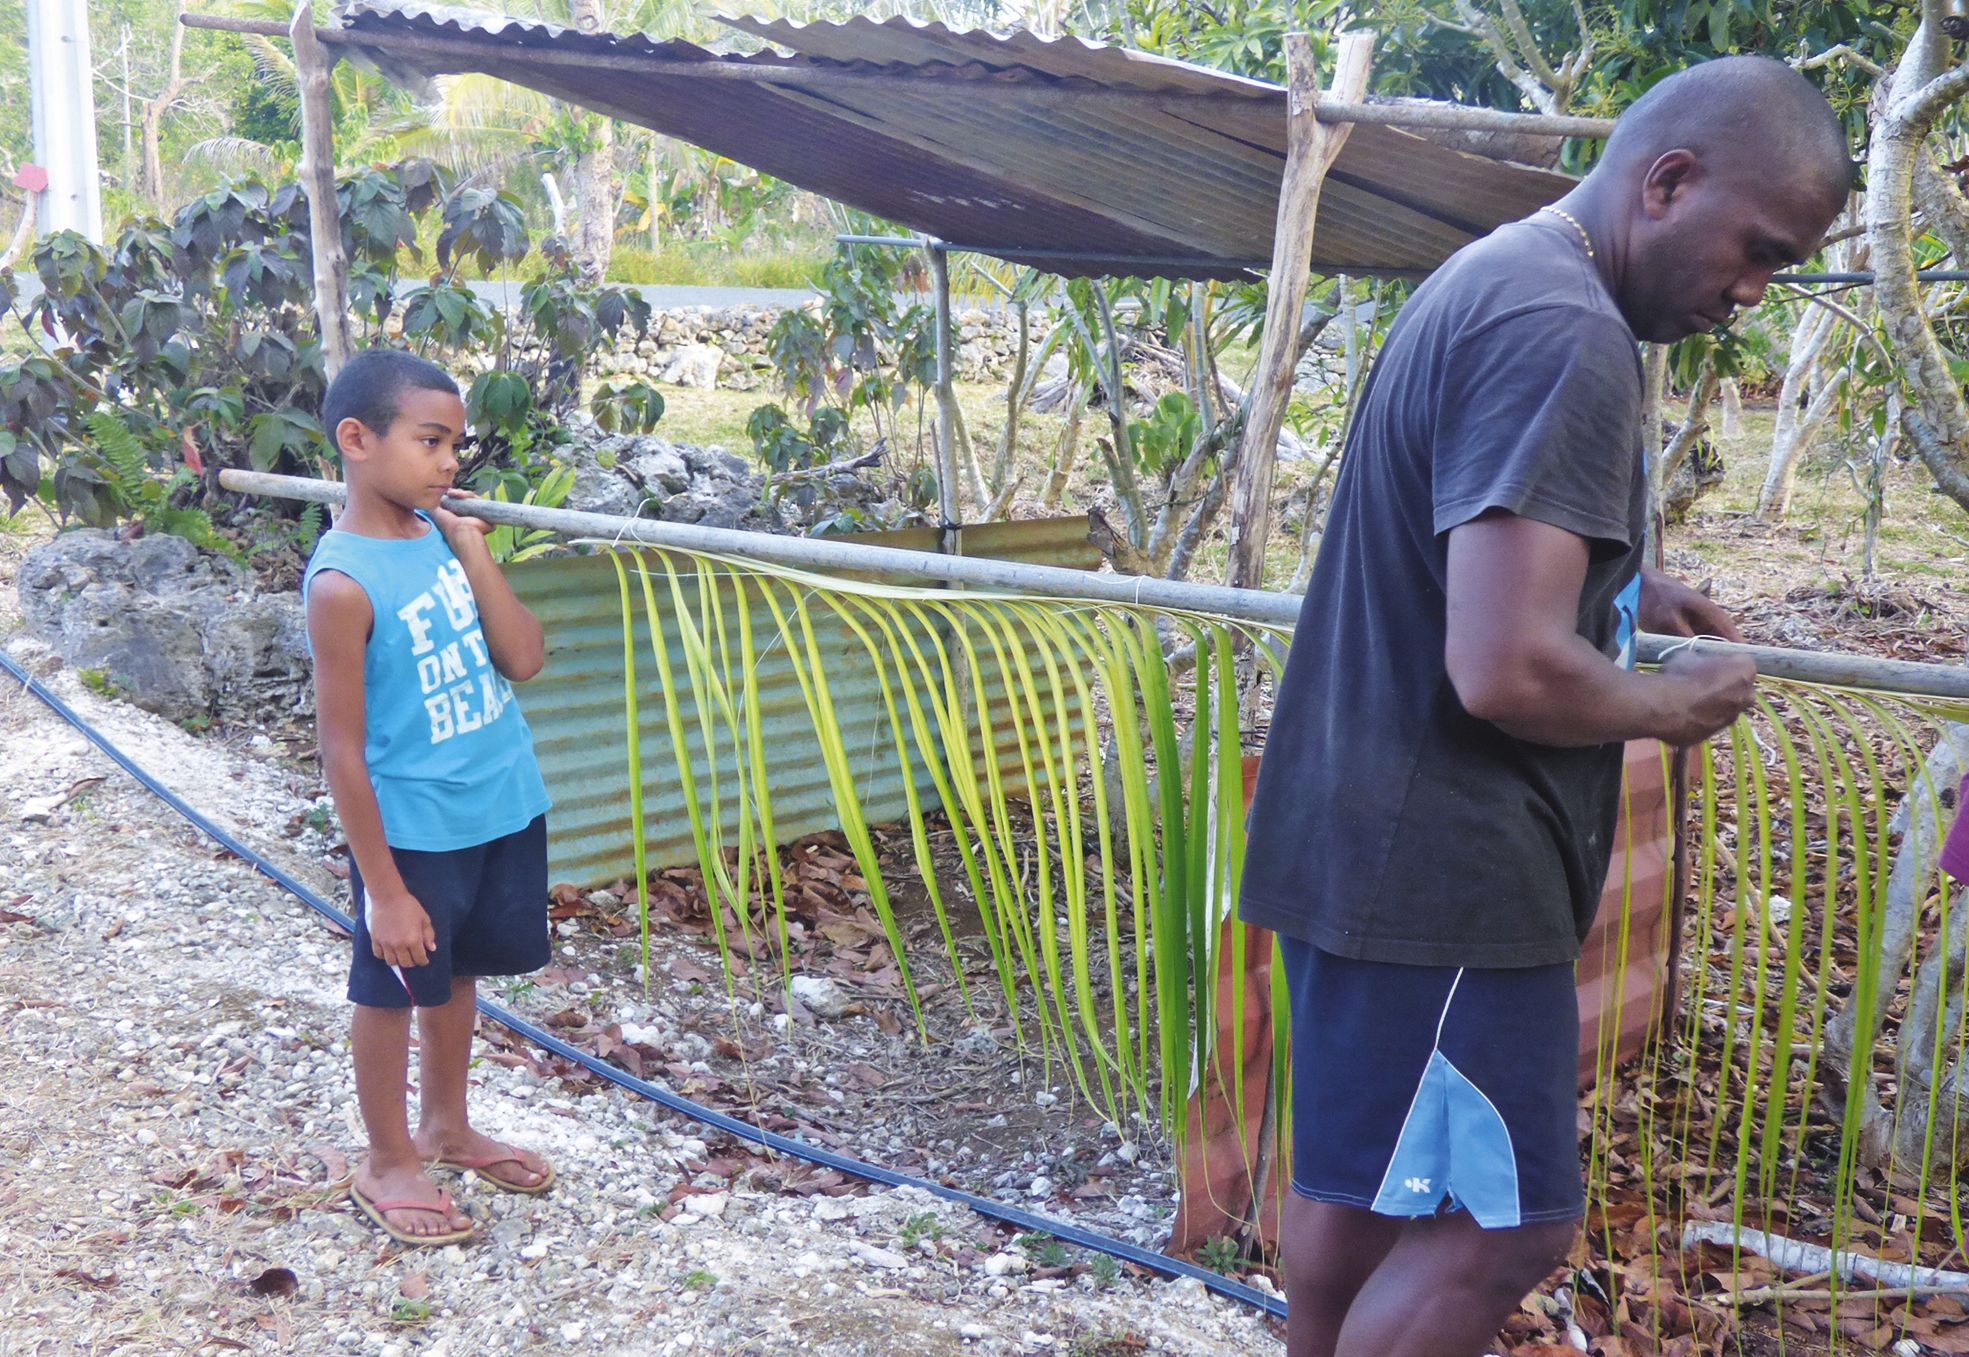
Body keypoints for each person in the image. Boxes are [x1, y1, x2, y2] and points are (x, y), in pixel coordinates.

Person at [1237, 56, 1852, 1357]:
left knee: (1358, 1180)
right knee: (1502, 1228)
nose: (1750, 291)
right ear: (1668, 180)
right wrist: (1677, 707)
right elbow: (1506, 670)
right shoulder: (1565, 328)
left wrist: (1625, 580)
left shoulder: (1495, 273)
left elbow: (1463, 536)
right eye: (1755, 250)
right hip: (1445, 866)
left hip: (1350, 827)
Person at [304, 349, 556, 1246]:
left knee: (457, 972)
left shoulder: (441, 539)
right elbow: (341, 748)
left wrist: (471, 551)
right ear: (357, 439)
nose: (452, 462)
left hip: (501, 803)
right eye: (432, 441)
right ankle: (387, 1157)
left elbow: (522, 659)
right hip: (415, 830)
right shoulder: (343, 583)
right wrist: (383, 887)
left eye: (457, 443)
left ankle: (445, 1125)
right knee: (390, 987)